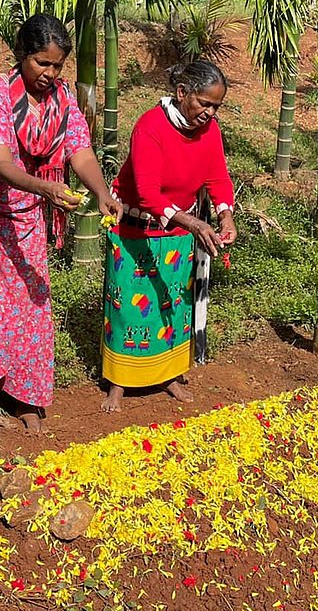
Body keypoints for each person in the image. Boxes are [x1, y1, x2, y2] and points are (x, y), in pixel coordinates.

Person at [0, 13, 121, 448]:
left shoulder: (62, 100)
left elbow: (81, 151)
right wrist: (46, 187)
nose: (50, 74)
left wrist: (102, 193)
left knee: (29, 306)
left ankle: (23, 396)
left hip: (26, 214)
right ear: (22, 56)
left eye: (57, 66)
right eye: (42, 63)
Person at [100, 60, 237, 413]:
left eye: (216, 106)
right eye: (204, 104)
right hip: (137, 230)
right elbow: (146, 193)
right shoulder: (150, 127)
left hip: (178, 233)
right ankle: (118, 382)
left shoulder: (210, 131)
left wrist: (225, 215)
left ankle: (169, 375)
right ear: (181, 94)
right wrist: (193, 223)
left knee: (173, 306)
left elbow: (217, 177)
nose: (209, 112)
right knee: (128, 308)